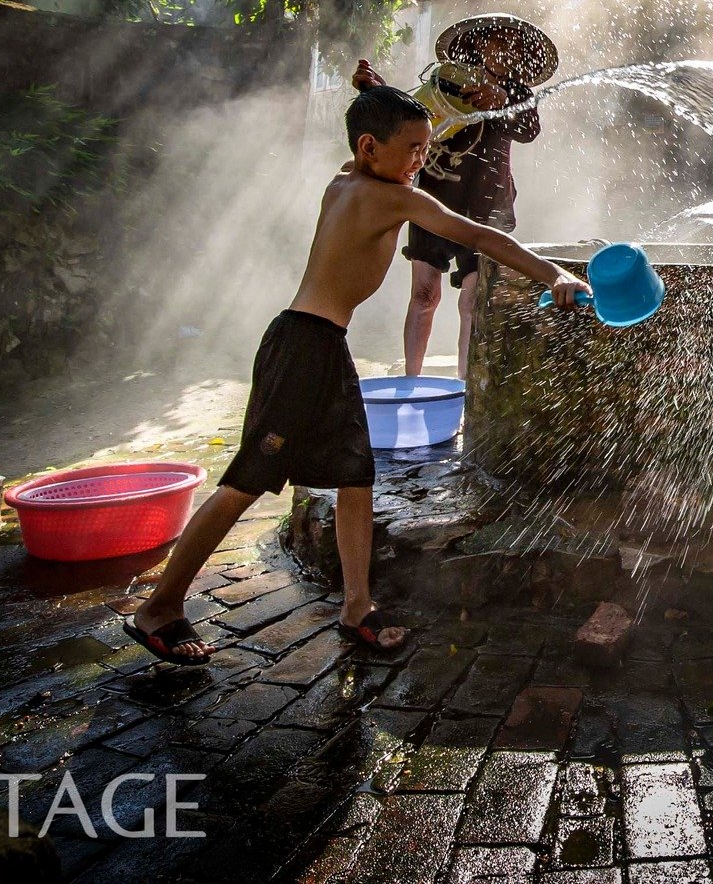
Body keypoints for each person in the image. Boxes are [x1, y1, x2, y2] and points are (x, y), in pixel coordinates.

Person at [124, 84, 592, 665]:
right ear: (372, 147)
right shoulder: (389, 200)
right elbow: (475, 235)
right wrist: (553, 273)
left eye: (427, 146)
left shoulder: (345, 180)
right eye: (415, 148)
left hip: (316, 342)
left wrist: (376, 97)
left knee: (354, 474)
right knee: (246, 480)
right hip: (304, 350)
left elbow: (367, 145)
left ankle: (356, 607)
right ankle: (159, 608)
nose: (423, 159)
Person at [354, 13, 555, 380]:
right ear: (477, 44)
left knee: (471, 303)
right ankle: (411, 382)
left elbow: (529, 130)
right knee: (424, 296)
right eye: (496, 40)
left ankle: (464, 390)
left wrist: (503, 101)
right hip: (435, 199)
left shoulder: (519, 93)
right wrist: (378, 92)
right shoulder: (447, 78)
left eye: (512, 44)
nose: (504, 49)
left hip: (488, 208)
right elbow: (411, 112)